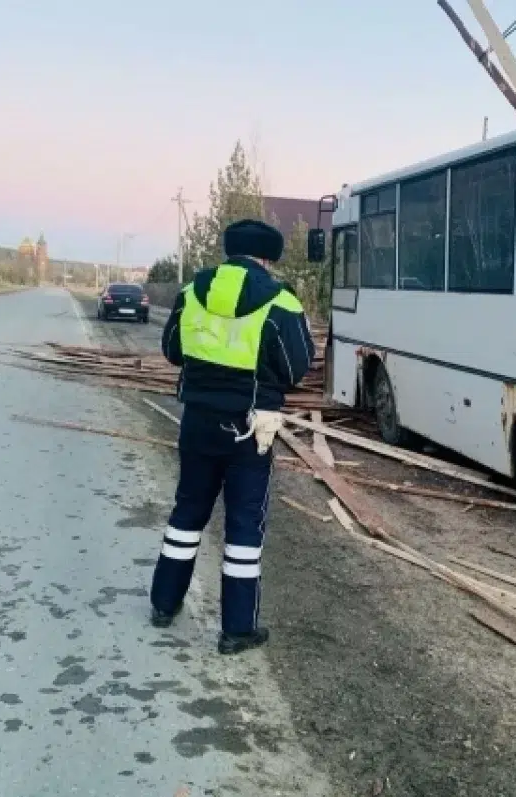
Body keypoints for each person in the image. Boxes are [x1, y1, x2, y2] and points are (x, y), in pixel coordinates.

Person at [150, 218, 315, 655]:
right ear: (267, 258)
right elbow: (297, 368)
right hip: (250, 427)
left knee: (187, 511)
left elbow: (172, 350)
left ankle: (164, 605)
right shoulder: (280, 301)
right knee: (244, 524)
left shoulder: (191, 293)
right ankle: (236, 630)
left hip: (198, 422)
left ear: (228, 252)